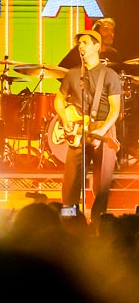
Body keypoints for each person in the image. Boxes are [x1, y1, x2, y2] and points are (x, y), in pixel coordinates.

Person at [53, 29, 122, 223]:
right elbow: (58, 100)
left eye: (85, 42)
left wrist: (102, 130)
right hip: (79, 130)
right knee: (70, 181)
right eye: (79, 43)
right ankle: (69, 220)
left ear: (97, 47)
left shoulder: (110, 75)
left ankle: (98, 222)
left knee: (102, 183)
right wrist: (65, 119)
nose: (80, 46)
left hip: (103, 128)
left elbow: (115, 109)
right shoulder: (73, 74)